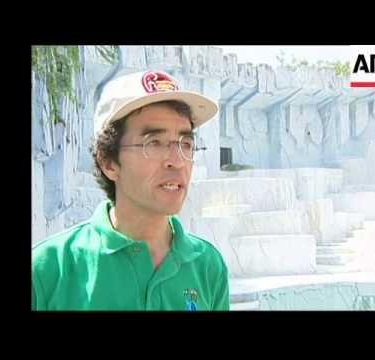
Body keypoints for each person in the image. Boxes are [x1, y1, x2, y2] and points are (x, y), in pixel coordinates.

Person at [32, 70, 229, 311]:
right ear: (109, 162)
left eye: (186, 144)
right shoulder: (49, 269)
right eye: (154, 143)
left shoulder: (208, 265)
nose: (177, 161)